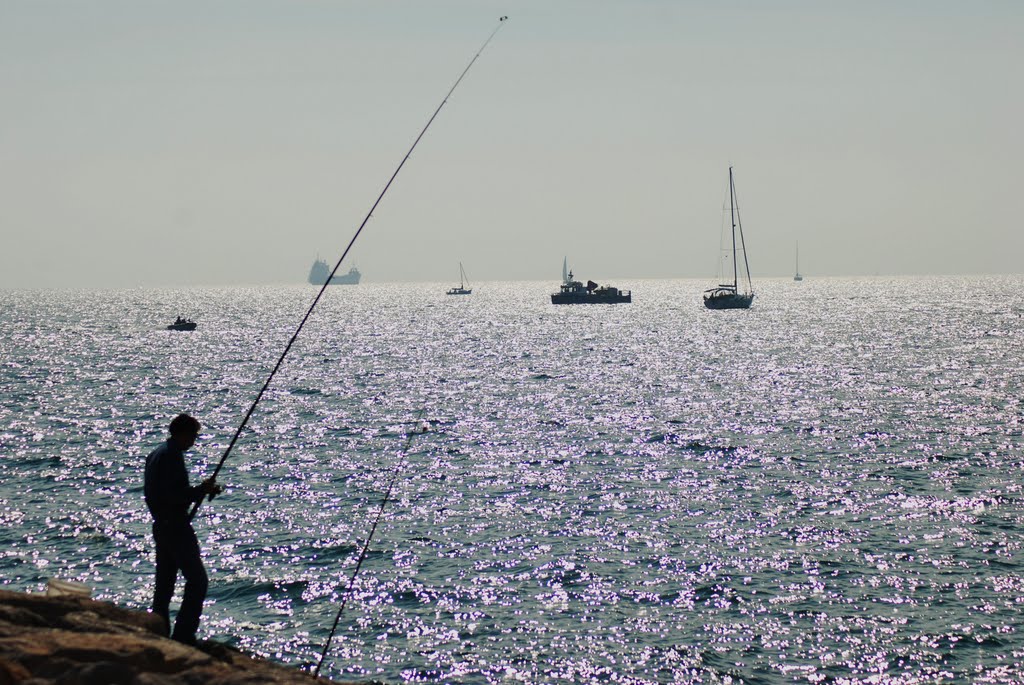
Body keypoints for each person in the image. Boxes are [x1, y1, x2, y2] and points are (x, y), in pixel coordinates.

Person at [143, 413, 222, 644]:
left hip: (161, 525)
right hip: (176, 526)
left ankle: (158, 635)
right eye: (194, 436)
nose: (194, 441)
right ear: (184, 434)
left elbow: (162, 493)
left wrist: (199, 490)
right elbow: (175, 496)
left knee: (164, 587)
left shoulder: (157, 453)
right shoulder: (171, 456)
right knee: (198, 581)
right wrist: (201, 490)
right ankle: (183, 636)